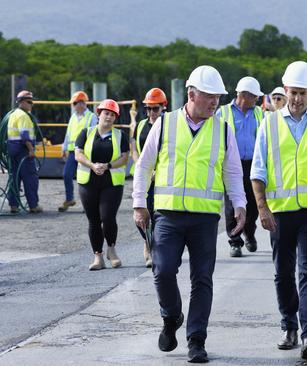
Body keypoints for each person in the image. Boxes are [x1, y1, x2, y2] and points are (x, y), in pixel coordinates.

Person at [132, 65, 246, 364]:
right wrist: (139, 203)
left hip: (205, 219)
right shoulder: (165, 124)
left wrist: (240, 204)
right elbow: (144, 165)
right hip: (168, 215)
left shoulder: (222, 129)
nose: (214, 103)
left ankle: (197, 340)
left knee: (202, 279)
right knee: (163, 271)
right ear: (191, 93)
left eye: (218, 98)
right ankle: (171, 317)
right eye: (209, 97)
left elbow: (232, 171)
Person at [251, 61, 307, 360]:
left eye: (302, 93)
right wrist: (262, 209)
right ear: (284, 90)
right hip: (280, 212)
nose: (297, 98)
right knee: (283, 272)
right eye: (292, 92)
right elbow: (258, 170)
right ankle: (288, 324)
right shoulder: (269, 124)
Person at [75, 99, 129, 270]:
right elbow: (78, 154)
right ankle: (98, 256)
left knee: (108, 217)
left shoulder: (121, 136)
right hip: (88, 182)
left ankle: (111, 250)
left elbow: (124, 158)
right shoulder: (86, 132)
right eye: (106, 113)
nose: (109, 117)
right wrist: (92, 165)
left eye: (112, 115)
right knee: (94, 220)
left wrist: (107, 166)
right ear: (99, 114)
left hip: (111, 183)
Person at [216, 76, 264, 257]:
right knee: (232, 205)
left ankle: (249, 232)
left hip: (254, 164)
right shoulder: (223, 113)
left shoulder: (260, 113)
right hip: (231, 164)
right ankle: (235, 241)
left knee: (253, 204)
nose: (257, 99)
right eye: (254, 96)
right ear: (243, 95)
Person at [130, 87, 167, 267]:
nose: (151, 112)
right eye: (148, 108)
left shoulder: (168, 126)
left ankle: (156, 249)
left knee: (158, 214)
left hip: (161, 179)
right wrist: (140, 165)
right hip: (145, 177)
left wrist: (156, 172)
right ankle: (147, 242)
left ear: (163, 108)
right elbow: (135, 148)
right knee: (140, 213)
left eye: (155, 108)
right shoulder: (141, 125)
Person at [59, 91, 97, 212]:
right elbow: (68, 133)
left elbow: (95, 134)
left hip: (86, 153)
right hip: (72, 152)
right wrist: (64, 147)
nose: (74, 106)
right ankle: (69, 199)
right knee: (66, 174)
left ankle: (89, 203)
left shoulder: (92, 117)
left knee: (86, 179)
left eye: (76, 103)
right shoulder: (73, 117)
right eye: (74, 103)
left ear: (83, 103)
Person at [6, 90, 42, 213]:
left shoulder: (13, 114)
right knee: (30, 178)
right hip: (23, 150)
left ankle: (14, 206)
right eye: (29, 101)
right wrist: (31, 149)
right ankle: (33, 206)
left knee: (14, 178)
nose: (31, 104)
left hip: (12, 149)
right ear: (21, 102)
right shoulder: (23, 116)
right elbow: (24, 135)